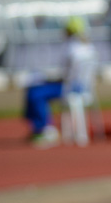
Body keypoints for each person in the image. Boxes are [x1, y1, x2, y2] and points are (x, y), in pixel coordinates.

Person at [22, 16, 98, 147]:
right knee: (35, 90)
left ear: (69, 31)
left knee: (35, 93)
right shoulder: (89, 48)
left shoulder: (71, 48)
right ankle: (40, 127)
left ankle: (45, 128)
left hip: (69, 88)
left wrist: (50, 78)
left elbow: (67, 75)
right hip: (85, 88)